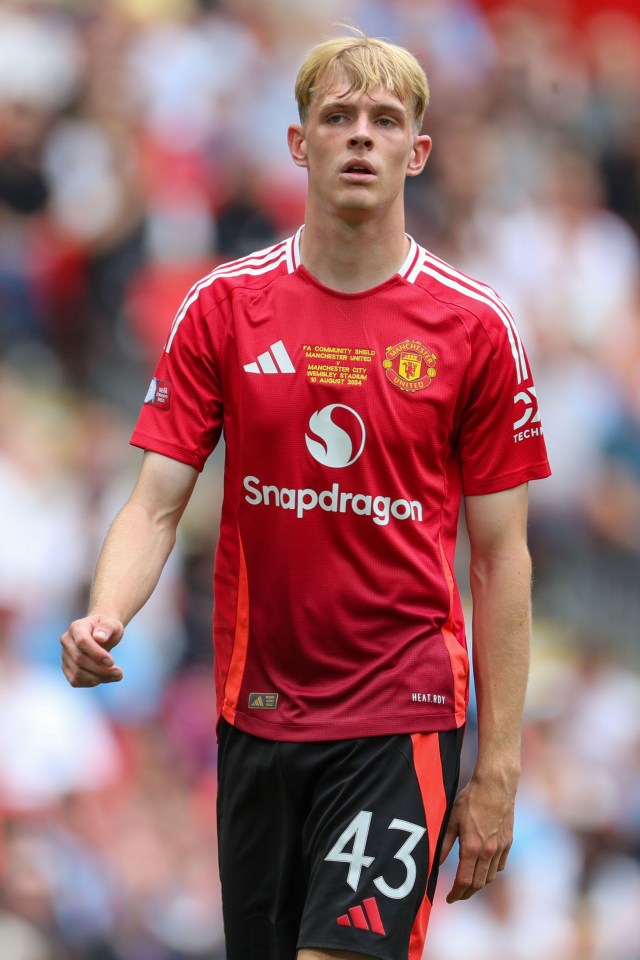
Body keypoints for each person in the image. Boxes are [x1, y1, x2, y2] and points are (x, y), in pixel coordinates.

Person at [61, 29, 551, 960]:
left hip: (401, 713)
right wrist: (105, 614)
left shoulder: (476, 328)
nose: (360, 136)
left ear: (418, 151)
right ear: (299, 144)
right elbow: (157, 500)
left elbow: (500, 557)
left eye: (384, 121)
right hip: (261, 713)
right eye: (337, 117)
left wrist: (497, 768)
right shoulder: (223, 307)